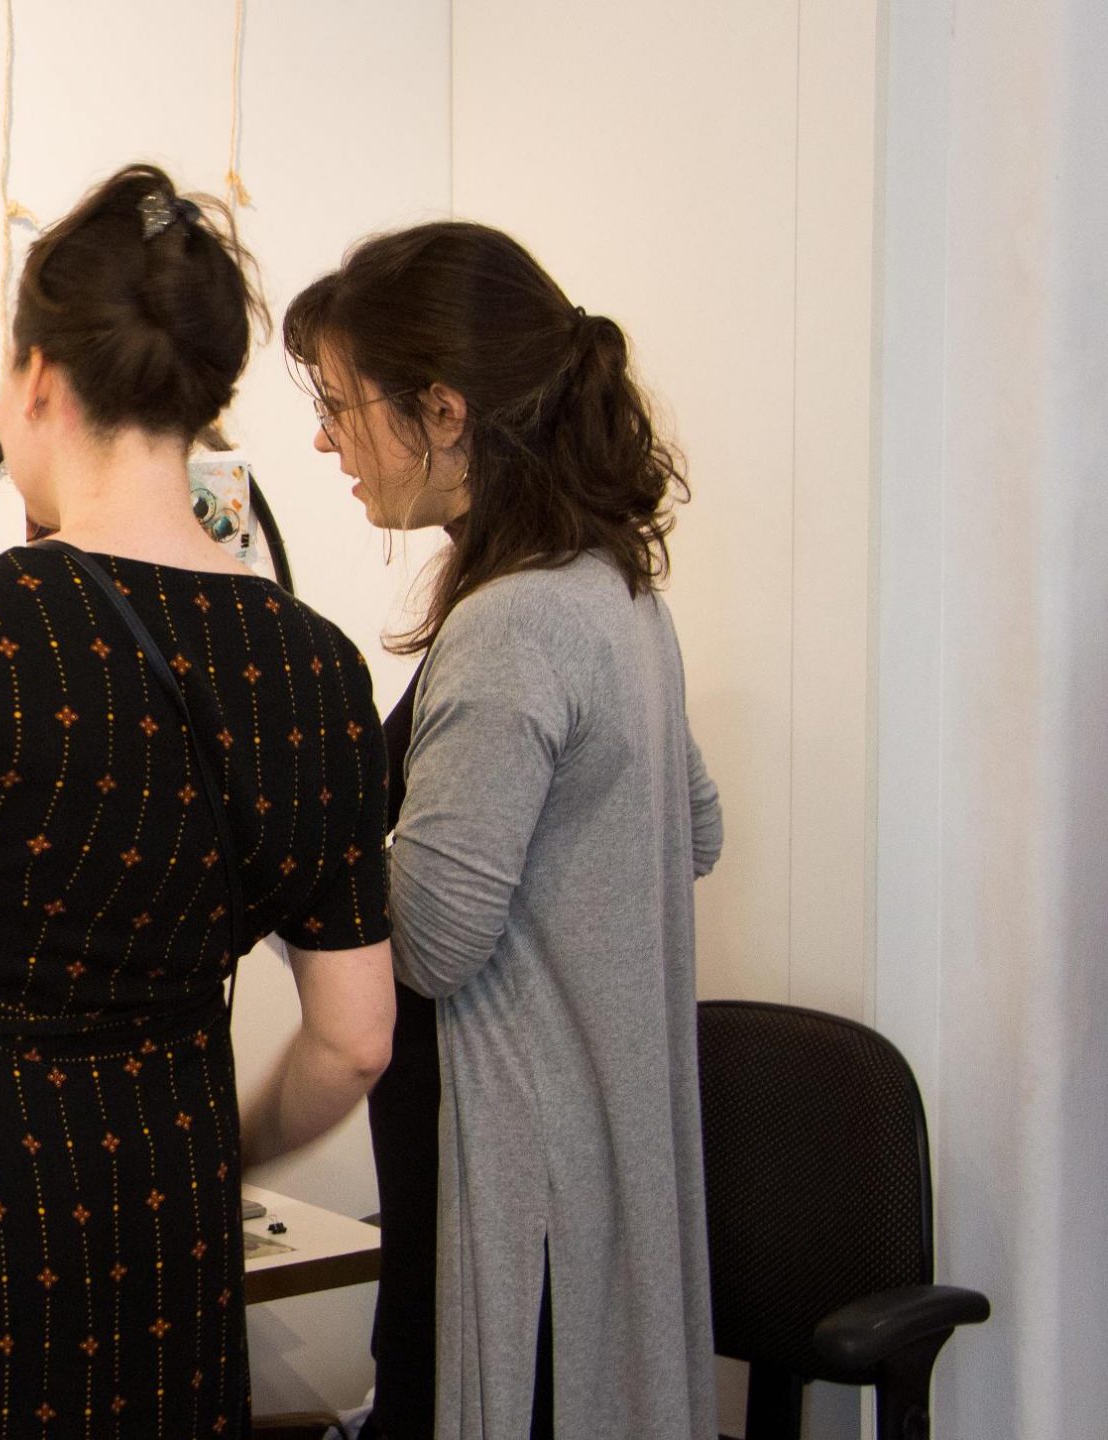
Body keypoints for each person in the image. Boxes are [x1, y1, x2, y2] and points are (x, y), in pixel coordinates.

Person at [0, 164, 397, 1437]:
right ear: (203, 396)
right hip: (176, 1233)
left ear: (37, 377)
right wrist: (224, 1144)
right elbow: (354, 1042)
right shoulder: (317, 665)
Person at [284, 222, 724, 1440]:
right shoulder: (612, 591)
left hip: (516, 1184)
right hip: (586, 1159)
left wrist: (285, 854)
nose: (324, 440)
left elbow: (431, 943)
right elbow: (691, 829)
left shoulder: (513, 625)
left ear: (442, 411)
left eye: (339, 406)